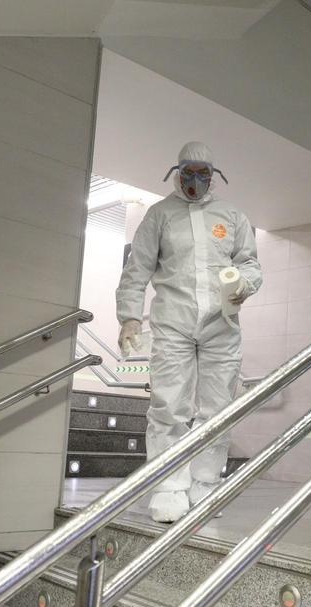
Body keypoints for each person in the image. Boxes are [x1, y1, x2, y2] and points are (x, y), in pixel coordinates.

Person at [116, 141, 262, 523]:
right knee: (168, 407)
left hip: (222, 324)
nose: (195, 181)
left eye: (203, 174)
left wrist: (243, 284)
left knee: (217, 409)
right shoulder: (160, 215)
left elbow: (250, 264)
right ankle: (168, 487)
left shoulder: (231, 216)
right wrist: (130, 316)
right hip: (173, 323)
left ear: (214, 177)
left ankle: (205, 485)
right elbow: (137, 269)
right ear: (176, 173)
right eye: (188, 173)